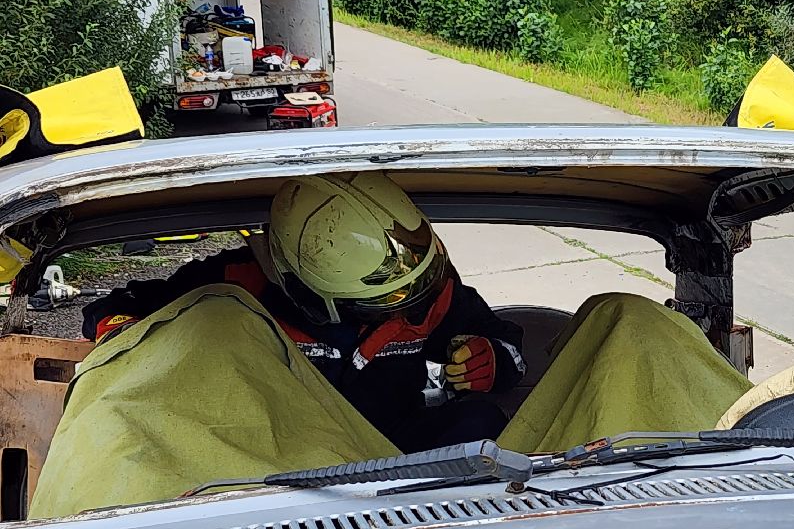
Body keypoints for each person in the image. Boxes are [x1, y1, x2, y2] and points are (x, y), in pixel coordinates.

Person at [82, 171, 526, 452]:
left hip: (393, 451)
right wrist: (126, 336)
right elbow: (114, 308)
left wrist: (493, 358)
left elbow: (508, 345)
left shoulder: (418, 284)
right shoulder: (233, 284)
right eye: (377, 305)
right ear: (303, 288)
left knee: (481, 421)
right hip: (277, 461)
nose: (398, 312)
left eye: (407, 297)